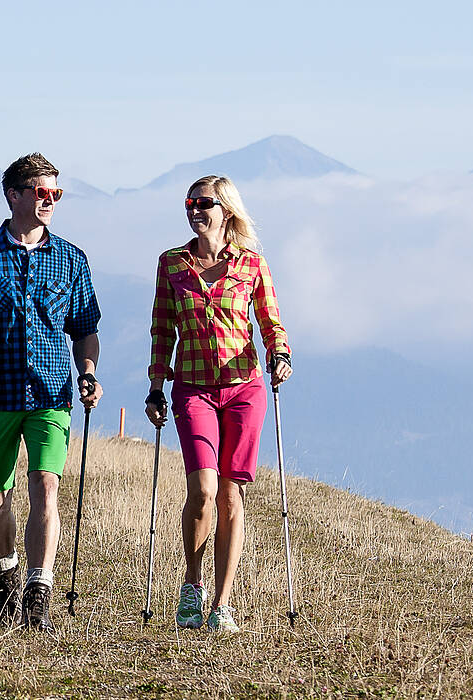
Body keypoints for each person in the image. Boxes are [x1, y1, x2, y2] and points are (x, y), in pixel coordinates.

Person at [0, 153, 103, 631]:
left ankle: (39, 590)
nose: (50, 200)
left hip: (52, 393)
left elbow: (85, 330)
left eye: (56, 193)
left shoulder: (72, 259)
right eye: (41, 192)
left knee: (46, 486)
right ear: (14, 195)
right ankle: (5, 575)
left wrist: (88, 372)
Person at [146, 175, 292, 634]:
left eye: (203, 203)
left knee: (232, 493)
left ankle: (222, 604)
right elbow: (162, 329)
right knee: (203, 489)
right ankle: (192, 585)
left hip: (243, 387)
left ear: (225, 209)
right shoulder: (171, 264)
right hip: (192, 388)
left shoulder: (251, 264)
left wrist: (280, 353)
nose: (194, 210)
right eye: (189, 203)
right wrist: (155, 384)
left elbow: (270, 319)